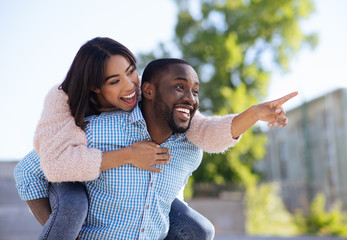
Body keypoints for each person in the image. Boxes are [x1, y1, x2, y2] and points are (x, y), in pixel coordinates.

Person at [15, 38, 297, 239]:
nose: (129, 87)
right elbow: (31, 170)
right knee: (73, 206)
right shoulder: (78, 116)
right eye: (114, 81)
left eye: (130, 73)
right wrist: (126, 155)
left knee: (199, 230)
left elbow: (209, 131)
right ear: (95, 88)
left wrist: (255, 114)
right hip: (66, 176)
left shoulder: (184, 137)